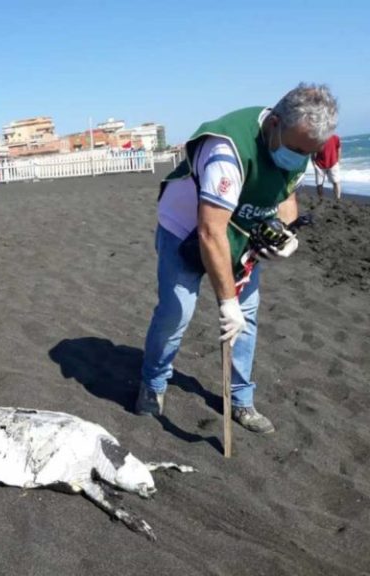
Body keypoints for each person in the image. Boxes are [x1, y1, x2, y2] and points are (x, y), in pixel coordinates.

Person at [137, 83, 337, 434]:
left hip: (242, 232)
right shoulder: (226, 151)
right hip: (186, 229)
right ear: (274, 123)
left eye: (308, 152)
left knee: (246, 317)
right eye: (295, 148)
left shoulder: (298, 146)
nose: (299, 157)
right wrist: (225, 302)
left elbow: (285, 192)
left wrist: (285, 234)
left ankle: (241, 400)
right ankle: (153, 384)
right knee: (176, 312)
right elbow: (210, 233)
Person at [313, 134, 341, 200]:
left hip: (333, 163)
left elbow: (339, 148)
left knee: (336, 182)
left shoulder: (335, 137)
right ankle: (321, 199)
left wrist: (338, 160)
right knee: (319, 184)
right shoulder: (317, 139)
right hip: (319, 164)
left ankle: (337, 199)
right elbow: (313, 150)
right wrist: (313, 161)